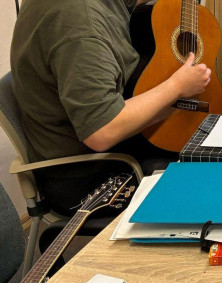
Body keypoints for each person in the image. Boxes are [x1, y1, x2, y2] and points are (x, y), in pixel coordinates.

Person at [10, 0, 211, 215]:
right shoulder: (81, 28)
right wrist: (176, 87)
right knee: (211, 182)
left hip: (117, 145)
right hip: (86, 174)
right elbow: (102, 132)